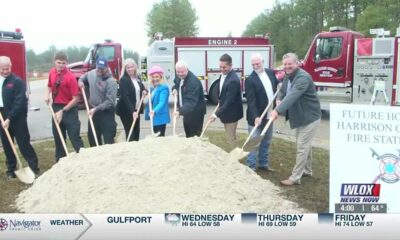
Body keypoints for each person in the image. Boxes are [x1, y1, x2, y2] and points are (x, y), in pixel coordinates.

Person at [270, 53, 321, 186]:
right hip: (301, 116)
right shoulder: (288, 75)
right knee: (304, 145)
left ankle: (295, 178)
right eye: (285, 64)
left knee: (302, 147)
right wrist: (278, 98)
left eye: (290, 64)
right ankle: (307, 170)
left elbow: (292, 96)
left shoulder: (302, 78)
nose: (287, 66)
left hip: (309, 117)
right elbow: (282, 89)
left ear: (297, 63)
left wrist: (277, 110)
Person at [0, 56, 39, 180]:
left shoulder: (17, 81)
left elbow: (19, 102)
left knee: (23, 143)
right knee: (7, 144)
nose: (5, 71)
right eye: (2, 69)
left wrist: (9, 118)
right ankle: (11, 169)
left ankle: (34, 168)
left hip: (17, 117)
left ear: (10, 66)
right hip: (2, 115)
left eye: (7, 69)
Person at [45, 52, 83, 162]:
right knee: (58, 136)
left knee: (74, 137)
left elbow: (76, 99)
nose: (61, 65)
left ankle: (83, 159)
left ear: (66, 63)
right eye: (59, 63)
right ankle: (60, 160)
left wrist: (63, 111)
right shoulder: (52, 72)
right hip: (56, 107)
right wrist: (46, 95)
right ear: (54, 62)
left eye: (63, 63)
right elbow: (48, 86)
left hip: (69, 108)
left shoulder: (70, 77)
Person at [245, 53, 278, 171]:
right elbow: (251, 101)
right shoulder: (250, 80)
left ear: (263, 62)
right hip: (256, 118)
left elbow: (276, 88)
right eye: (253, 64)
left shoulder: (270, 73)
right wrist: (256, 116)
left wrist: (278, 101)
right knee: (254, 143)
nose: (255, 66)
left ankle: (263, 164)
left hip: (269, 115)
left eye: (257, 63)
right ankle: (250, 166)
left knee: (267, 140)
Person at [78, 56, 118, 146]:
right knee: (93, 137)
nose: (99, 70)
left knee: (108, 139)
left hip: (106, 113)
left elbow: (110, 102)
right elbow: (81, 78)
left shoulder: (111, 82)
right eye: (98, 68)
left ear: (107, 68)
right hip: (93, 112)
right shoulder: (91, 74)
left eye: (102, 69)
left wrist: (96, 109)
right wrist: (80, 82)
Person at [209, 54, 243, 150]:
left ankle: (234, 159)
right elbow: (223, 92)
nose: (222, 69)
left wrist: (215, 115)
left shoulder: (233, 80)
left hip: (231, 114)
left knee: (230, 138)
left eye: (224, 67)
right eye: (220, 67)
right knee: (230, 137)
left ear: (231, 65)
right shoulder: (224, 75)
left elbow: (229, 101)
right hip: (226, 111)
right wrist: (220, 100)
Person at [172, 61, 206, 137]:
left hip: (195, 114)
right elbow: (176, 85)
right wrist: (174, 89)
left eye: (182, 72)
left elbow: (190, 102)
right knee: (188, 134)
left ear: (187, 69)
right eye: (178, 72)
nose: (180, 74)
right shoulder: (179, 77)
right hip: (187, 112)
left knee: (194, 136)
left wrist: (179, 112)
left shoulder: (193, 82)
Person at [116, 59, 147, 141]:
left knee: (137, 131)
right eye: (128, 68)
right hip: (126, 110)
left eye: (131, 67)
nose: (130, 69)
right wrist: (132, 111)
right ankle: (130, 150)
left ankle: (136, 150)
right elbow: (126, 97)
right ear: (125, 69)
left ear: (135, 67)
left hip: (136, 108)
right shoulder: (123, 80)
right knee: (130, 132)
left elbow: (143, 88)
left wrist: (145, 91)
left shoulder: (138, 78)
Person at [145, 66, 170, 136]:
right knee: (156, 138)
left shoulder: (164, 88)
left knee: (160, 138)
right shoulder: (153, 88)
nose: (155, 79)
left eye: (157, 77)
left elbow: (162, 102)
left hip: (160, 118)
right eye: (153, 77)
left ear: (161, 77)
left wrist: (154, 111)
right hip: (154, 117)